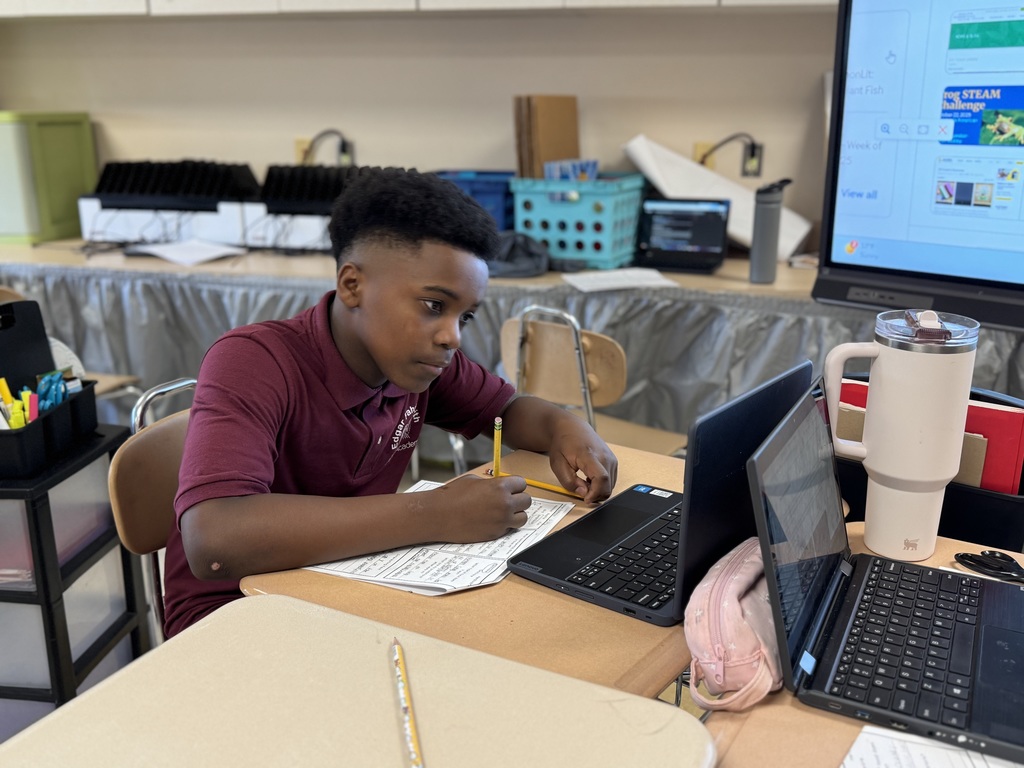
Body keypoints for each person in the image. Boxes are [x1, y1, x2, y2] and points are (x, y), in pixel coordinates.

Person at [162, 167, 619, 637]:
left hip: (343, 588)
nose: (451, 336)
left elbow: (509, 411)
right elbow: (215, 540)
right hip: (231, 620)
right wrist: (435, 514)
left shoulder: (417, 362)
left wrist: (568, 429)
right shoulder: (254, 361)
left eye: (467, 316)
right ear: (352, 285)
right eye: (433, 306)